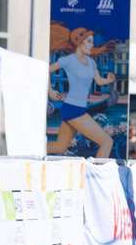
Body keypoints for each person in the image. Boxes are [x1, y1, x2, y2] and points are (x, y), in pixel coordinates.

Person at [47, 28, 116, 158]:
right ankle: (98, 175)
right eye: (89, 41)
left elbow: (99, 81)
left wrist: (108, 80)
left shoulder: (91, 62)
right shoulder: (69, 60)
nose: (93, 45)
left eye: (92, 42)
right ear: (79, 41)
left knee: (60, 147)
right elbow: (46, 70)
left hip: (78, 108)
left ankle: (31, 151)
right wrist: (51, 91)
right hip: (73, 109)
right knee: (107, 142)